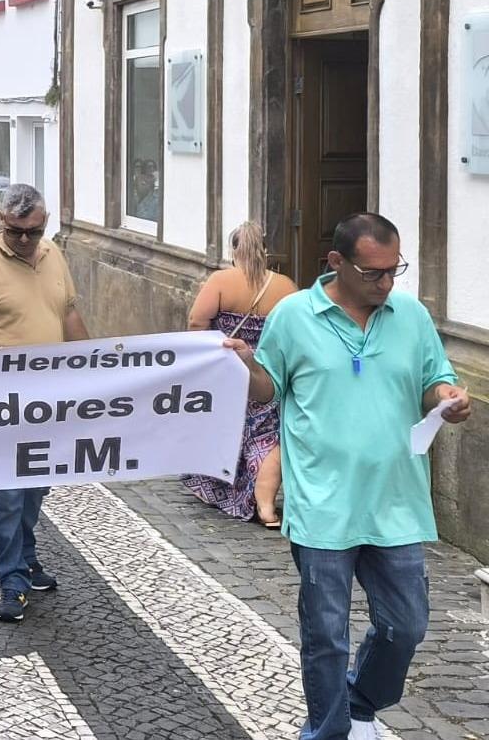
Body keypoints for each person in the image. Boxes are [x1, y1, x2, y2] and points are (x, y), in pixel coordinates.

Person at [224, 213, 470, 740]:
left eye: (393, 271)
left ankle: (361, 700)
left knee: (406, 625)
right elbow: (266, 392)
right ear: (336, 263)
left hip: (397, 500)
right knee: (326, 637)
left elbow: (435, 380)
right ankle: (328, 732)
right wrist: (246, 363)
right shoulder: (293, 316)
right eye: (373, 273)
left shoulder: (411, 315)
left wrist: (446, 399)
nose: (386, 284)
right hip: (322, 504)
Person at [0, 183, 89, 623]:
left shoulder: (52, 255)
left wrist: (92, 363)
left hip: (48, 395)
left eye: (34, 231)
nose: (25, 241)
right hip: (2, 397)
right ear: (0, 224)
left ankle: (26, 557)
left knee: (36, 486)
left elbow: (67, 312)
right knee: (8, 490)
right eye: (16, 232)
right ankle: (11, 579)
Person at [180, 221, 297, 526]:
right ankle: (265, 502)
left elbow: (196, 322)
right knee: (266, 436)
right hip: (268, 372)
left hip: (228, 365)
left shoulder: (221, 280)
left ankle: (223, 489)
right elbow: (297, 330)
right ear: (266, 251)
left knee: (224, 429)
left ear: (233, 250)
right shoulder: (286, 286)